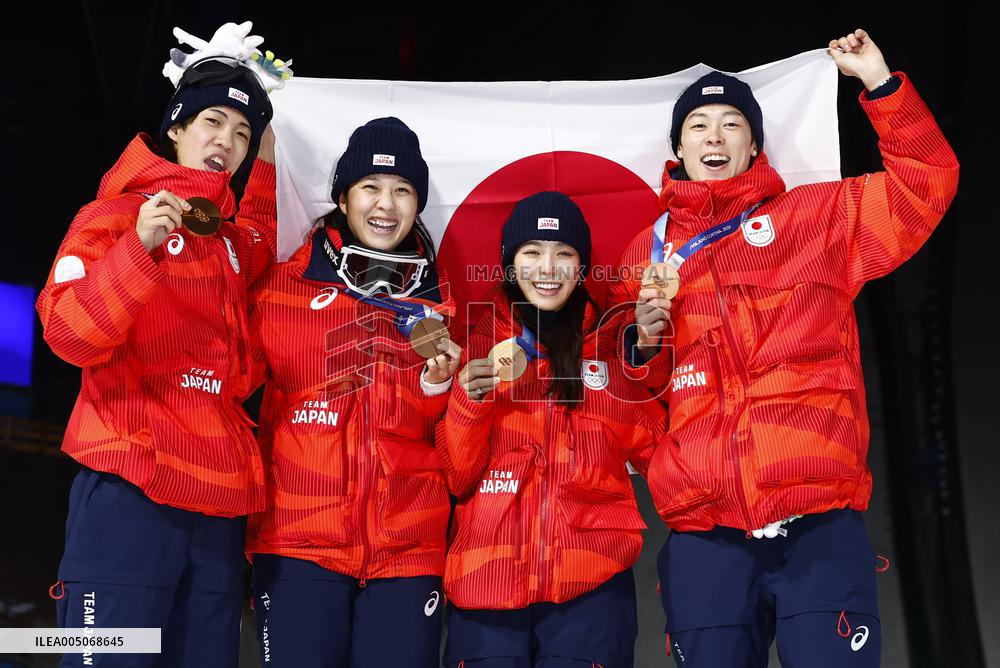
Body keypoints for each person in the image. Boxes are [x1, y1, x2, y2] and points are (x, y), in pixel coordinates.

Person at [608, 29, 959, 666]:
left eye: (732, 124)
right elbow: (626, 404)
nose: (714, 137)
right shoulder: (644, 257)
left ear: (754, 144)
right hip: (706, 532)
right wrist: (646, 347)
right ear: (678, 148)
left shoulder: (817, 219)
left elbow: (924, 185)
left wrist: (879, 83)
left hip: (817, 514)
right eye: (698, 126)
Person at [35, 21, 289, 668]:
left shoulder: (232, 245)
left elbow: (261, 231)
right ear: (176, 127)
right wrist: (138, 250)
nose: (226, 141)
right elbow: (68, 336)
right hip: (130, 491)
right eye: (212, 122)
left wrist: (274, 139)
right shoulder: (112, 218)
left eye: (241, 134)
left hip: (218, 504)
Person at [246, 116, 462, 668]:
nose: (385, 204)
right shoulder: (284, 288)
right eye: (370, 187)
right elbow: (229, 381)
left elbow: (453, 436)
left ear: (418, 204)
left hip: (408, 552)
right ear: (342, 198)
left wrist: (439, 386)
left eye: (402, 190)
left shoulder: (443, 305)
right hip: (298, 544)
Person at [439, 191, 666, 667]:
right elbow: (458, 478)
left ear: (582, 268)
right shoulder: (474, 342)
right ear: (509, 263)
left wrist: (647, 355)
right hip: (486, 584)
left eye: (564, 253)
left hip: (592, 589)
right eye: (532, 252)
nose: (547, 268)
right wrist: (468, 404)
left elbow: (661, 454)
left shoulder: (610, 346)